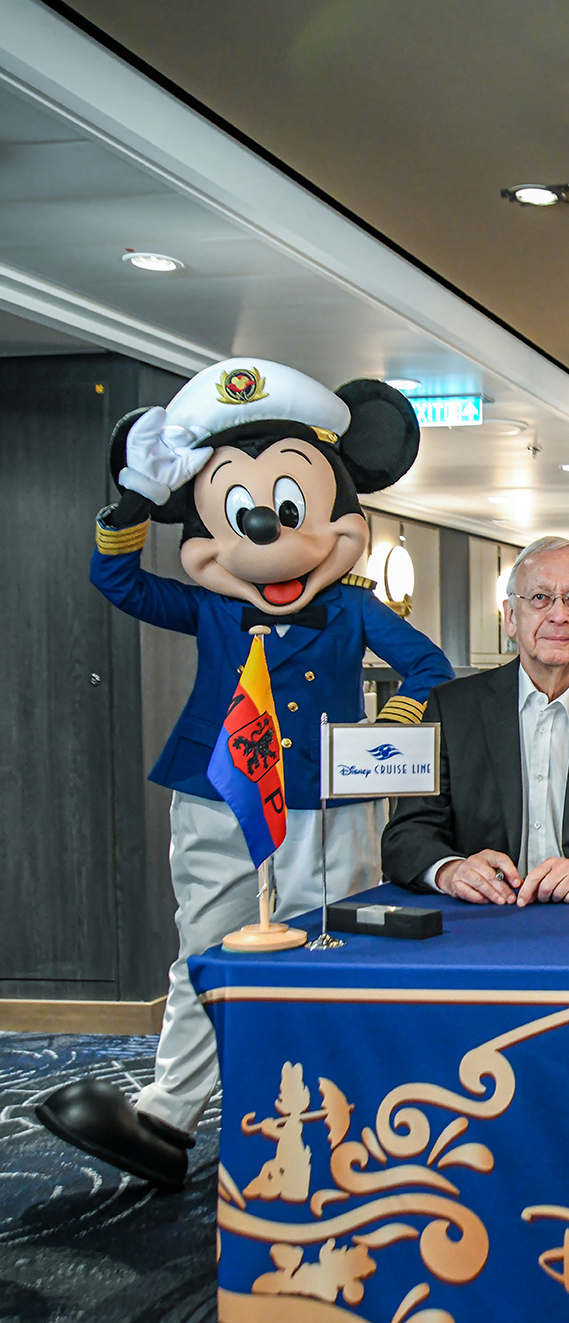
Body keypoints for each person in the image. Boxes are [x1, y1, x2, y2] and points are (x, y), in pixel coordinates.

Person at [36, 358, 453, 1193]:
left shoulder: (353, 609)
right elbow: (114, 578)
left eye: (289, 506)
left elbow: (430, 668)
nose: (266, 530)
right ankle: (168, 1112)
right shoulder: (211, 607)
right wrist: (129, 503)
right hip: (215, 790)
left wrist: (389, 727)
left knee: (326, 948)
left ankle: (333, 1113)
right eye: (240, 510)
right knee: (205, 948)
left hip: (321, 803)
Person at [383, 536, 569, 902]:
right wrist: (450, 870)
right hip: (477, 922)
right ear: (510, 616)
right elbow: (406, 834)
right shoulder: (452, 709)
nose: (559, 615)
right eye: (540, 598)